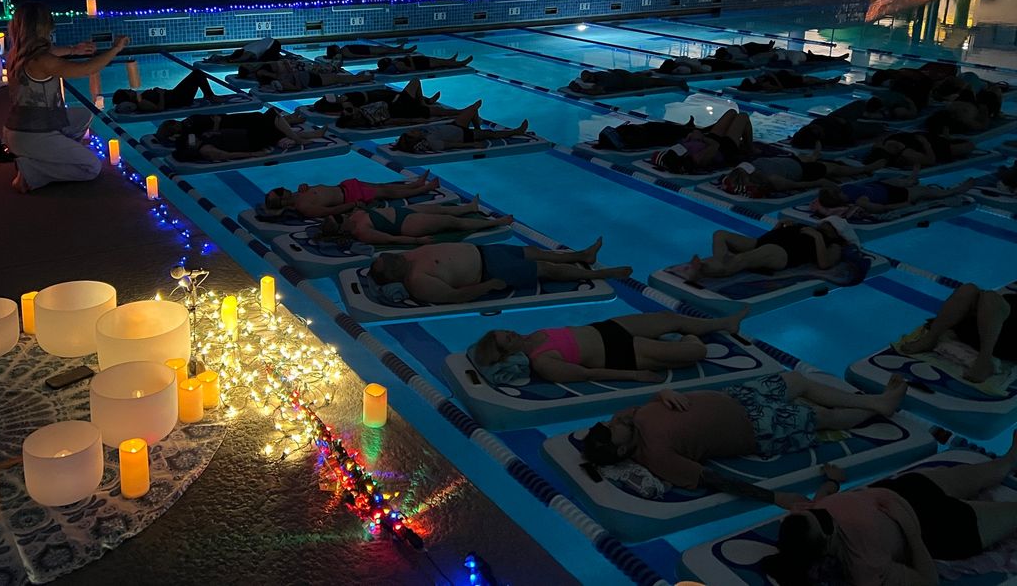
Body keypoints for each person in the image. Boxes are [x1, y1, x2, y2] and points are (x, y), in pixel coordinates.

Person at [579, 372, 908, 505]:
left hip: (740, 397)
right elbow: (715, 480)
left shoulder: (628, 420)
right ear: (622, 448)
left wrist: (664, 391)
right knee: (823, 417)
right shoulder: (657, 455)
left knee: (797, 380)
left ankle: (874, 402)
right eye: (612, 428)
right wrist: (775, 498)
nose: (615, 420)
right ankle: (878, 406)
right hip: (759, 426)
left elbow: (648, 401)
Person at [764, 434, 1017, 586]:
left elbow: (820, 501)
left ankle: (1008, 461)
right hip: (939, 528)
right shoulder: (863, 565)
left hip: (909, 489)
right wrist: (912, 533)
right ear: (826, 544)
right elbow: (928, 582)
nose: (822, 512)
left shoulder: (806, 520)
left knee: (991, 470)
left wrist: (833, 481)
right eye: (823, 520)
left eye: (814, 512)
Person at [3, 3, 129, 193]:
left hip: (19, 129)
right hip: (33, 135)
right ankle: (32, 171)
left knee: (83, 115)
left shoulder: (16, 54)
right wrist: (115, 49)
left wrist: (73, 50)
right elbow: (87, 69)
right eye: (49, 24)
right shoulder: (42, 61)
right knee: (92, 168)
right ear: (41, 28)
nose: (52, 28)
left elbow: (51, 53)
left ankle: (45, 155)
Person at [469, 307, 748, 383]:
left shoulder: (533, 336)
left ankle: (724, 324)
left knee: (668, 318)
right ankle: (686, 339)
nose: (512, 332)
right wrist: (635, 375)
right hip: (622, 353)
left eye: (505, 330)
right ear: (508, 353)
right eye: (508, 338)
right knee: (695, 352)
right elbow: (589, 374)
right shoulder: (543, 361)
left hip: (611, 328)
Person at [367, 238, 632, 304]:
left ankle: (581, 256)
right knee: (546, 269)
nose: (393, 257)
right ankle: (600, 275)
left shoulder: (408, 257)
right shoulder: (417, 280)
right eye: (390, 262)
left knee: (536, 252)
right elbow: (453, 296)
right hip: (489, 269)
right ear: (394, 275)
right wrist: (487, 286)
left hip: (485, 251)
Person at [898, 281, 1017, 382]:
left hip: (1005, 341)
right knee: (968, 289)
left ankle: (984, 361)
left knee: (991, 298)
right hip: (985, 328)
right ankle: (930, 339)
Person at [684, 218, 857, 279]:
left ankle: (704, 271)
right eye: (827, 223)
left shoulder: (833, 245)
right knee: (720, 234)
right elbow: (776, 237)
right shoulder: (810, 227)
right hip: (764, 242)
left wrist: (818, 237)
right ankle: (720, 262)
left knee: (741, 259)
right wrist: (777, 228)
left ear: (837, 234)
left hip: (781, 254)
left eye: (830, 227)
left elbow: (824, 264)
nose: (826, 226)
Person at [317, 197, 513, 246]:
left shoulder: (353, 216)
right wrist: (418, 242)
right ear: (341, 230)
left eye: (338, 215)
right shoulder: (361, 232)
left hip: (401, 211)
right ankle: (496, 223)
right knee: (451, 222)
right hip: (406, 225)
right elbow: (390, 240)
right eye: (338, 219)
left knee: (439, 208)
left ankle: (468, 208)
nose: (341, 216)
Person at [167, 109, 326, 164]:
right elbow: (224, 155)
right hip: (249, 141)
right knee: (271, 116)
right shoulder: (204, 149)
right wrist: (254, 154)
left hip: (246, 136)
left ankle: (309, 134)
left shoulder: (198, 140)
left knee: (270, 123)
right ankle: (297, 138)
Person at [264, 172, 440, 218]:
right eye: (279, 191)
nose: (281, 188)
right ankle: (423, 189)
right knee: (387, 192)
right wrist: (353, 205)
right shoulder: (303, 207)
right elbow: (329, 211)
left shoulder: (298, 193)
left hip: (345, 186)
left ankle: (415, 184)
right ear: (282, 200)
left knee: (382, 186)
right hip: (350, 196)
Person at [812, 171, 978, 218]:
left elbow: (829, 185)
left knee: (895, 180)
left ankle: (909, 180)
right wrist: (901, 205)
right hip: (896, 196)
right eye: (837, 193)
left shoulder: (846, 190)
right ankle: (954, 191)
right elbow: (882, 209)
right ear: (838, 199)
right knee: (925, 192)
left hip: (880, 186)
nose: (838, 190)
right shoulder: (859, 201)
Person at [393, 101, 529, 154]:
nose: (413, 130)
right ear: (416, 139)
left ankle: (478, 128)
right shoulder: (431, 142)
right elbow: (450, 145)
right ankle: (517, 131)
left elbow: (400, 143)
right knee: (491, 134)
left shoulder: (421, 134)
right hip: (464, 135)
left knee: (474, 107)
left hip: (455, 126)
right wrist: (473, 145)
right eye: (412, 132)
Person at [720, 155, 882, 199]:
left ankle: (814, 156)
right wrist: (819, 182)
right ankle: (867, 168)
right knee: (834, 169)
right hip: (802, 170)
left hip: (787, 159)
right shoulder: (774, 181)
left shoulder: (735, 177)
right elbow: (797, 185)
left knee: (809, 157)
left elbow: (741, 169)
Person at [650, 109, 754, 174]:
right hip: (724, 148)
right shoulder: (697, 159)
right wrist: (701, 137)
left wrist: (691, 136)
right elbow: (715, 145)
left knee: (731, 112)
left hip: (709, 139)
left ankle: (747, 145)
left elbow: (684, 142)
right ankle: (750, 149)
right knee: (743, 116)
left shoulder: (674, 154)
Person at [335, 80, 464, 129]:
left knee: (432, 110)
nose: (351, 109)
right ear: (354, 118)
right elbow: (392, 121)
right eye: (350, 111)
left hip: (397, 104)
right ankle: (457, 112)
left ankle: (427, 103)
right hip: (401, 109)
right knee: (416, 84)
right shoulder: (369, 118)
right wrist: (415, 121)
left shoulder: (362, 113)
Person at [111, 70, 231, 114]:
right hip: (179, 99)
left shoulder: (139, 98)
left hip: (175, 95)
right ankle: (210, 96)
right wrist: (161, 94)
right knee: (197, 74)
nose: (130, 89)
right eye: (128, 91)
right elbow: (159, 109)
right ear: (127, 97)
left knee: (197, 73)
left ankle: (209, 95)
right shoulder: (141, 103)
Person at [862, 131, 976, 168]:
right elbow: (931, 160)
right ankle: (948, 138)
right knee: (968, 146)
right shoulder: (906, 153)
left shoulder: (881, 145)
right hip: (925, 143)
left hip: (918, 140)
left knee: (965, 145)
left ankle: (948, 138)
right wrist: (925, 143)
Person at [567, 68, 679, 95]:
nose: (588, 81)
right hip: (622, 74)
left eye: (588, 79)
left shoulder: (602, 79)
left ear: (591, 75)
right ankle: (643, 74)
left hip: (629, 81)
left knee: (655, 82)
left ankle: (678, 82)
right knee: (642, 77)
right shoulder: (597, 75)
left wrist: (580, 90)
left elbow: (597, 91)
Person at [735, 71, 842, 93]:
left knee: (808, 78)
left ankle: (826, 81)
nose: (757, 78)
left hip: (784, 78)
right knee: (809, 79)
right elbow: (779, 88)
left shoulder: (760, 80)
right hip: (787, 82)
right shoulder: (764, 85)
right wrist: (774, 77)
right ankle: (828, 82)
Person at [203, 36, 282, 65]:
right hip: (269, 41)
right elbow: (235, 57)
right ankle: (215, 57)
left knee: (265, 60)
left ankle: (280, 57)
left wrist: (231, 61)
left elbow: (239, 59)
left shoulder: (248, 51)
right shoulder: (245, 49)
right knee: (262, 58)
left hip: (273, 44)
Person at [376, 53, 473, 75]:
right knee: (441, 63)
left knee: (438, 60)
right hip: (421, 64)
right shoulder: (398, 65)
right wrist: (409, 59)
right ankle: (460, 63)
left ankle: (451, 60)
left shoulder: (395, 62)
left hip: (420, 60)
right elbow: (412, 69)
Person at [325, 43, 415, 60]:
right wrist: (369, 56)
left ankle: (399, 49)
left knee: (384, 49)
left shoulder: (343, 50)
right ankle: (404, 51)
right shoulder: (344, 52)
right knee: (385, 50)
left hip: (366, 48)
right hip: (367, 51)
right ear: (335, 49)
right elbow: (355, 56)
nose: (336, 45)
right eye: (335, 46)